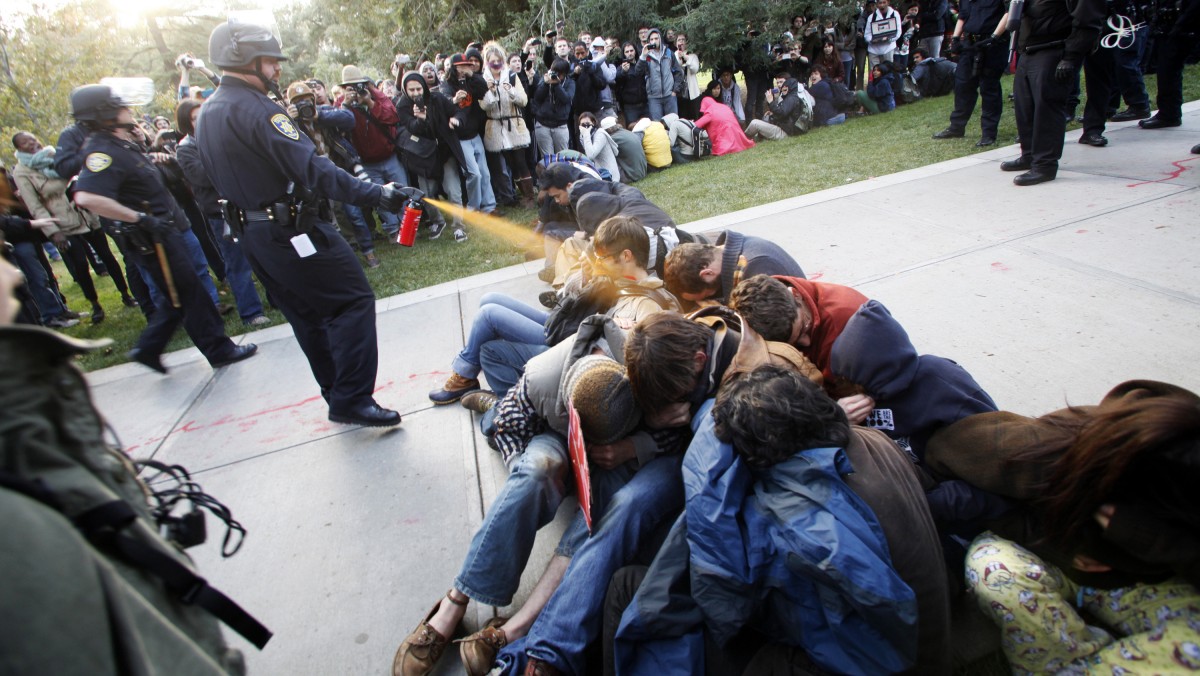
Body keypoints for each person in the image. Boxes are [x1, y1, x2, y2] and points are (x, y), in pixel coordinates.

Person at [0, 242, 263, 675]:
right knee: (181, 296)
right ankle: (157, 346)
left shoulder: (26, 441)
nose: (13, 273)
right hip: (150, 236)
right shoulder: (15, 529)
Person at [612, 363, 951, 675]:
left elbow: (734, 608)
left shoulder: (799, 522)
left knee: (628, 587)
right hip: (931, 639)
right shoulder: (874, 442)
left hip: (889, 662)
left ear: (768, 450)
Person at [394, 314, 685, 676]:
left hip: (619, 454)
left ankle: (515, 628)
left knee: (601, 518)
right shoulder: (541, 377)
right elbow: (510, 432)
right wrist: (545, 477)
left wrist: (633, 445)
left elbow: (679, 434)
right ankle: (453, 604)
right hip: (556, 433)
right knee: (534, 472)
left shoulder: (650, 376)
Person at [195, 18, 416, 426]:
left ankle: (336, 392)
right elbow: (314, 169)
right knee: (352, 299)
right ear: (244, 59)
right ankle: (351, 398)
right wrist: (377, 194)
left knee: (306, 315)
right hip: (291, 231)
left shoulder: (209, 111)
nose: (277, 69)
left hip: (255, 235)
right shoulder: (259, 111)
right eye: (269, 61)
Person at [926, 380, 1200, 674]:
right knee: (994, 570)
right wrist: (1061, 549)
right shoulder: (1048, 450)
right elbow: (945, 452)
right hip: (1040, 551)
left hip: (1142, 581)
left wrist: (1155, 543)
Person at [69, 84, 257, 374]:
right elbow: (86, 197)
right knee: (190, 294)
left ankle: (149, 348)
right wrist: (138, 218)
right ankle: (219, 349)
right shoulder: (101, 150)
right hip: (151, 237)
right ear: (104, 114)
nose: (127, 109)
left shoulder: (121, 143)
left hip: (164, 230)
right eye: (119, 105)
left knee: (178, 296)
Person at [11, 131, 136, 323]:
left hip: (87, 215)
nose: (33, 143)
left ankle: (126, 294)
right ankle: (95, 305)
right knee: (80, 265)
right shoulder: (22, 171)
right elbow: (34, 205)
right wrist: (54, 232)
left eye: (34, 139)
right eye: (27, 143)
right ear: (19, 148)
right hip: (63, 224)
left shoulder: (54, 156)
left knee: (107, 256)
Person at [174, 101, 270, 323]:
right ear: (186, 123)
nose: (202, 120)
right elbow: (201, 177)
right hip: (220, 212)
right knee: (237, 264)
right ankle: (251, 313)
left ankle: (277, 299)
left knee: (262, 256)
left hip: (245, 204)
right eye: (195, 118)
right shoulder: (186, 148)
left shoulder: (218, 138)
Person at [1001, 0, 1105, 185]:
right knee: (1025, 108)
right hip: (1028, 49)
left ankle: (1045, 165)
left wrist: (1071, 57)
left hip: (1053, 50)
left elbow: (1086, 21)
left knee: (1047, 109)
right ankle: (1030, 155)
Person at [337, 65, 409, 240]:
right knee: (381, 198)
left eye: (357, 85)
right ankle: (393, 230)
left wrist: (370, 102)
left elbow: (392, 117)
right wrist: (346, 104)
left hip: (389, 156)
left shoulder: (377, 95)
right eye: (350, 87)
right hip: (367, 162)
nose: (355, 90)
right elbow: (338, 127)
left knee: (404, 192)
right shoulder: (342, 103)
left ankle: (408, 228)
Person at [932, 0, 1008, 146]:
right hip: (970, 43)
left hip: (993, 43)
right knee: (962, 85)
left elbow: (1008, 12)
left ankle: (989, 133)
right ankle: (956, 127)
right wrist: (955, 38)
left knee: (989, 88)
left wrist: (995, 36)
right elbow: (963, 15)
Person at [395, 72, 459, 239]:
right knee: (426, 193)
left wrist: (456, 119)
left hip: (444, 151)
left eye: (419, 89)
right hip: (422, 156)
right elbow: (412, 128)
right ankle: (437, 221)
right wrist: (421, 119)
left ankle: (459, 225)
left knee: (453, 190)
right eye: (412, 90)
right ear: (405, 90)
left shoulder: (436, 98)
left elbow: (455, 111)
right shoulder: (402, 106)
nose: (416, 93)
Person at [441, 51, 498, 231]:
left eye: (468, 65)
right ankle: (474, 209)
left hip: (474, 134)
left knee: (485, 173)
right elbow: (443, 107)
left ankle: (489, 206)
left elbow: (484, 91)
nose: (465, 68)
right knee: (474, 174)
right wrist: (454, 100)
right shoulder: (447, 85)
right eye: (462, 66)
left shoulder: (472, 81)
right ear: (454, 67)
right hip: (460, 138)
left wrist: (472, 74)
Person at [664, 231, 804, 303]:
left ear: (707, 273)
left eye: (707, 295)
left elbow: (776, 324)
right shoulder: (730, 253)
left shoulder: (757, 267)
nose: (707, 300)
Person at [480, 42, 536, 208]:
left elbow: (523, 100)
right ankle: (520, 195)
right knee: (510, 163)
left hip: (513, 123)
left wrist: (511, 91)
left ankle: (530, 197)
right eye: (492, 61)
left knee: (520, 161)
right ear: (487, 62)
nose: (496, 64)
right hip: (497, 126)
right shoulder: (483, 80)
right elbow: (483, 106)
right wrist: (490, 92)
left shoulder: (511, 76)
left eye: (499, 60)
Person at [532, 58, 575, 157]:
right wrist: (546, 84)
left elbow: (566, 99)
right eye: (554, 72)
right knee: (548, 159)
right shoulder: (545, 80)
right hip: (543, 124)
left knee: (563, 158)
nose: (556, 75)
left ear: (565, 73)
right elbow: (537, 98)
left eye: (559, 73)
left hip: (560, 125)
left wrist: (557, 85)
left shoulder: (570, 83)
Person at [639, 29, 683, 120]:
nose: (654, 41)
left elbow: (678, 72)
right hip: (654, 98)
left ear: (660, 39)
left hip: (670, 95)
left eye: (656, 38)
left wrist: (675, 91)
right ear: (648, 41)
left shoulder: (668, 52)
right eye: (651, 39)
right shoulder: (646, 55)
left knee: (673, 123)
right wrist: (643, 56)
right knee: (657, 126)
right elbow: (638, 72)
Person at [600, 116, 647, 184]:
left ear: (609, 129)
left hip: (632, 176)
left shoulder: (613, 138)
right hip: (642, 171)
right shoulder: (626, 132)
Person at [576, 111, 620, 182]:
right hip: (599, 173)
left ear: (593, 123)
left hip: (610, 176)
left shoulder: (600, 134)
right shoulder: (583, 136)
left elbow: (591, 155)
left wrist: (586, 134)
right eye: (582, 125)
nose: (585, 127)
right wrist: (585, 135)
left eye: (587, 124)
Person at [615, 43, 648, 125]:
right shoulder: (621, 67)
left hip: (645, 104)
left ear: (635, 51)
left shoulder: (641, 64)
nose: (630, 53)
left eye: (631, 50)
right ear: (624, 54)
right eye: (627, 52)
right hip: (630, 107)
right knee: (632, 129)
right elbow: (617, 80)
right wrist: (624, 72)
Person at [864, 0, 903, 67]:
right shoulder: (872, 17)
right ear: (877, 4)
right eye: (880, 3)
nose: (882, 5)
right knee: (875, 72)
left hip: (888, 48)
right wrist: (872, 40)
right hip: (874, 50)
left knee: (888, 71)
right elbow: (867, 34)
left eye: (884, 2)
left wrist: (889, 39)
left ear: (888, 2)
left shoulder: (895, 14)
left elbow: (898, 32)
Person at [674, 34, 702, 119]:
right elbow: (675, 68)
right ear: (676, 43)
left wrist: (685, 58)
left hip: (692, 93)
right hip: (680, 92)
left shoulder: (692, 55)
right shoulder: (673, 55)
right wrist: (679, 57)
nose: (681, 42)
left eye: (683, 40)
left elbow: (694, 69)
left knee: (694, 117)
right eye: (679, 40)